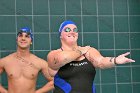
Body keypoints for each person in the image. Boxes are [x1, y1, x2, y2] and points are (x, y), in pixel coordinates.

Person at [47, 20, 135, 93]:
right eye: (67, 30)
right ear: (60, 35)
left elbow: (101, 62)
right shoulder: (54, 54)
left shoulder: (88, 51)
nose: (72, 32)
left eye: (75, 30)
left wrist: (115, 60)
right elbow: (64, 58)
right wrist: (81, 51)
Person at [0, 27, 54, 93]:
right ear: (17, 40)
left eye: (27, 36)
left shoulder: (39, 62)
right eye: (20, 36)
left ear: (31, 41)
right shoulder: (6, 61)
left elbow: (55, 81)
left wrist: (37, 92)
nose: (23, 38)